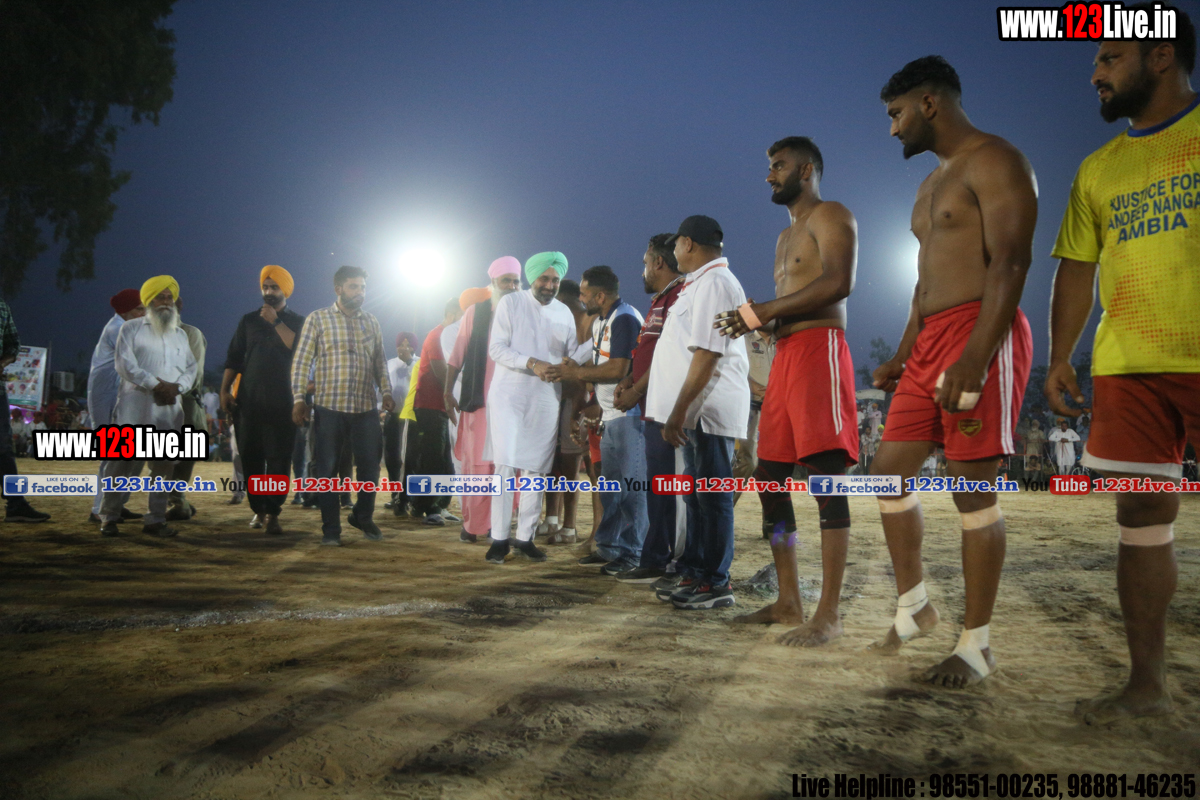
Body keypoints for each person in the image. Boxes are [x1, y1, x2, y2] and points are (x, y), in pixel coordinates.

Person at [1045, 6, 1199, 722]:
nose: (1095, 73)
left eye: (1110, 58)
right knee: (1139, 513)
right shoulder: (1097, 168)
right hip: (1129, 366)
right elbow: (1078, 267)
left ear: (1160, 55)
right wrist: (1060, 356)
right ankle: (1147, 686)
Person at [868, 56, 1036, 687]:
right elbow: (923, 283)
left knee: (972, 488)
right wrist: (902, 352)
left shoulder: (996, 159)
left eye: (896, 114)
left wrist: (976, 355)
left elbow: (1011, 262)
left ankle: (976, 645)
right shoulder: (927, 186)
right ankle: (915, 605)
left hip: (980, 330)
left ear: (929, 103)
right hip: (931, 338)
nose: (892, 129)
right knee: (886, 473)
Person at [714, 135, 861, 646]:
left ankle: (829, 614)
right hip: (787, 357)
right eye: (770, 166)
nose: (770, 175)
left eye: (779, 165)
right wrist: (763, 322)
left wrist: (767, 311)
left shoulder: (832, 214)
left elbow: (839, 283)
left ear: (807, 169)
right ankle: (789, 600)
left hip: (821, 351)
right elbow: (792, 301)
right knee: (769, 479)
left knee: (826, 480)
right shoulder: (784, 237)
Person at [645, 215, 751, 611]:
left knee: (713, 497)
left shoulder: (717, 283)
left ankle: (716, 581)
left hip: (707, 409)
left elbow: (708, 353)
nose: (674, 251)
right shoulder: (698, 283)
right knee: (695, 495)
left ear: (687, 243)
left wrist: (679, 411)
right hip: (695, 411)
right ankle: (695, 570)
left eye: (676, 244)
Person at [483, 251, 587, 564]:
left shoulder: (564, 313)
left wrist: (584, 352)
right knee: (505, 465)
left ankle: (525, 538)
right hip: (509, 395)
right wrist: (531, 362)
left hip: (546, 397)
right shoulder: (511, 303)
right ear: (532, 278)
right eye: (544, 278)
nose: (550, 285)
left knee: (537, 469)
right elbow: (496, 348)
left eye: (555, 280)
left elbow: (571, 354)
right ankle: (499, 538)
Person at [549, 265, 647, 575]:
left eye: (584, 294)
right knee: (610, 489)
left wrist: (576, 372)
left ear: (600, 296)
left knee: (631, 490)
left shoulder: (625, 318)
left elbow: (619, 368)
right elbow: (596, 361)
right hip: (611, 416)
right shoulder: (603, 320)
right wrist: (574, 369)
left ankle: (633, 553)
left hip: (630, 416)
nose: (581, 299)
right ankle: (609, 548)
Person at [290, 265, 394, 545]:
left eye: (363, 287)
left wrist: (385, 391)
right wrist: (299, 399)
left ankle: (362, 515)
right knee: (327, 470)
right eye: (354, 287)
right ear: (338, 289)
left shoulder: (371, 322)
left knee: (370, 468)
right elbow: (301, 362)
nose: (360, 292)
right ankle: (331, 530)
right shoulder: (318, 319)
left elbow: (379, 362)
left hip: (365, 408)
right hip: (329, 408)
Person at [611, 234, 687, 584]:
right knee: (658, 488)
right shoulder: (660, 300)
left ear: (658, 262)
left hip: (670, 408)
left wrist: (636, 390)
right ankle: (655, 557)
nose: (642, 270)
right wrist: (629, 379)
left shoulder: (680, 296)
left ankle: (673, 562)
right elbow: (647, 349)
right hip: (652, 407)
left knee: (672, 491)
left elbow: (671, 354)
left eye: (645, 263)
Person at [99, 276, 198, 537]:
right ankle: (109, 516)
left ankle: (155, 519)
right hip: (135, 407)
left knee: (163, 466)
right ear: (148, 300)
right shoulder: (130, 328)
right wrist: (156, 385)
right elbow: (124, 364)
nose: (166, 302)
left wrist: (178, 387)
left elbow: (191, 368)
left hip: (169, 408)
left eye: (169, 297)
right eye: (160, 297)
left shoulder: (180, 335)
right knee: (120, 464)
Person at [222, 266, 306, 535]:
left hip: (284, 403)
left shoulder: (299, 321)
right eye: (265, 287)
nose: (269, 292)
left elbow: (299, 350)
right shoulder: (248, 320)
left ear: (285, 290)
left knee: (279, 459)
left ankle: (273, 512)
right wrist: (224, 391)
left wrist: (276, 322)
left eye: (274, 287)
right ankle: (258, 509)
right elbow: (234, 358)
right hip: (249, 402)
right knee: (251, 458)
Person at [445, 260, 521, 543]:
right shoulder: (475, 313)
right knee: (477, 466)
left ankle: (497, 526)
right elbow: (457, 355)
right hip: (479, 404)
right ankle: (473, 524)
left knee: (507, 466)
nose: (511, 286)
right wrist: (447, 392)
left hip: (511, 405)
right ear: (493, 283)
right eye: (506, 281)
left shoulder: (524, 313)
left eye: (516, 281)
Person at [86, 288, 146, 524]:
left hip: (119, 393)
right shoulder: (118, 329)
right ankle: (99, 509)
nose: (144, 313)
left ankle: (116, 504)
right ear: (125, 311)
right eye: (139, 309)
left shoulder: (126, 326)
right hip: (105, 396)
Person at [409, 298, 463, 526]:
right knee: (432, 458)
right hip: (429, 406)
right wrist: (460, 394)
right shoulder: (436, 336)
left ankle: (439, 505)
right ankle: (427, 507)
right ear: (451, 315)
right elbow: (442, 373)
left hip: (443, 407)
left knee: (446, 460)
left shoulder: (452, 338)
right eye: (461, 318)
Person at [0, 300, 50, 523]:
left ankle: (16, 504)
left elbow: (13, 344)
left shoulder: (2, 306)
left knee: (3, 447)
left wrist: (2, 363)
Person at [167, 296, 208, 521]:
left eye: (168, 300)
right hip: (158, 404)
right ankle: (177, 502)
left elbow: (194, 372)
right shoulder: (148, 334)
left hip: (186, 403)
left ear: (179, 306)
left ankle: (178, 501)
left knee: (183, 458)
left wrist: (167, 388)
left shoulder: (191, 333)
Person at [383, 331, 419, 514]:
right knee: (392, 458)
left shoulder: (419, 363)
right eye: (400, 344)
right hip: (393, 416)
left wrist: (410, 362)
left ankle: (409, 497)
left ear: (414, 347)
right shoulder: (389, 364)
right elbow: (383, 389)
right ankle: (395, 495)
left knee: (409, 458)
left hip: (412, 418)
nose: (404, 348)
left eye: (408, 344)